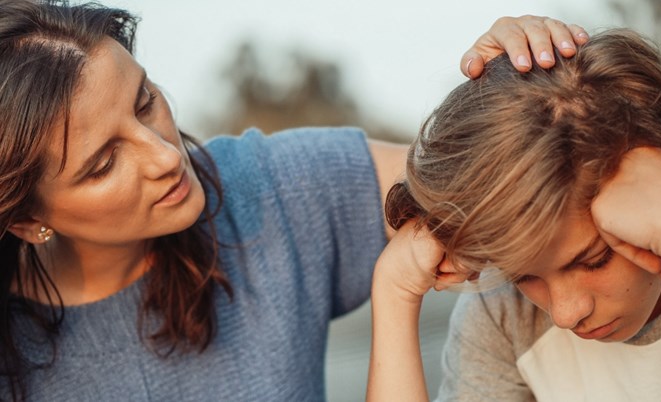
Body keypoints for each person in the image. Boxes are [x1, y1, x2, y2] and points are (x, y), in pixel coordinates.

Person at [0, 0, 591, 400]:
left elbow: (507, 174)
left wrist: (520, 90)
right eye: (104, 164)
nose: (165, 156)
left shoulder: (273, 189)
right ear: (28, 221)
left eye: (145, 101)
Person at [368, 29, 661, 401]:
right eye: (523, 275)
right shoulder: (503, 315)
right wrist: (393, 293)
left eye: (594, 259)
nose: (565, 312)